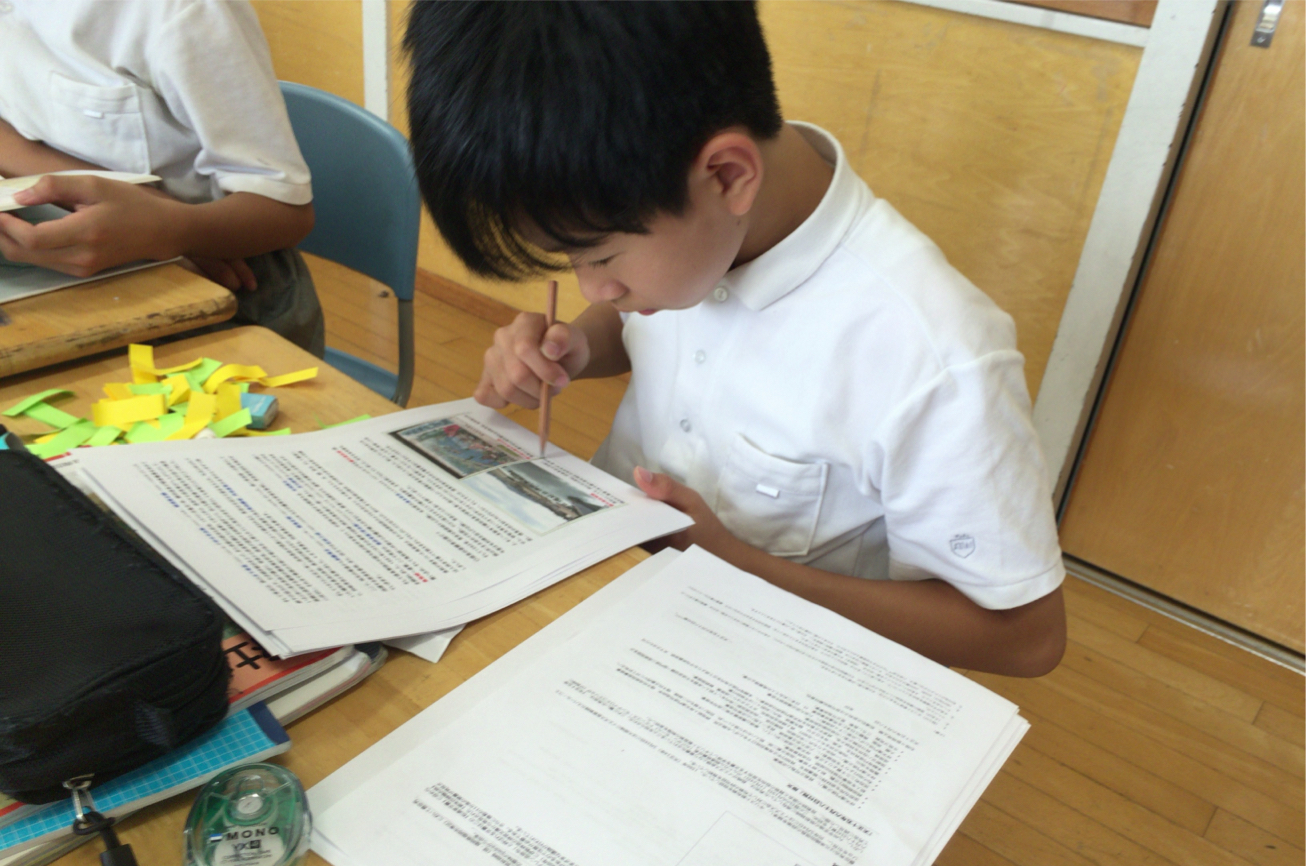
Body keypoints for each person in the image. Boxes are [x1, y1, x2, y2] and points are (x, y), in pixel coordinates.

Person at [404, 1, 1066, 677]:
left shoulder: (932, 352)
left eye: (598, 256)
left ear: (728, 175)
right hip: (609, 601)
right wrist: (572, 347)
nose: (592, 288)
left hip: (766, 674)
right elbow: (639, 326)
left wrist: (735, 566)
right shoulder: (698, 227)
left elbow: (1024, 638)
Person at [0, 0, 325, 356]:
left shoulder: (183, 10)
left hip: (217, 288)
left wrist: (174, 231)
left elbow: (286, 212)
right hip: (70, 272)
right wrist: (151, 213)